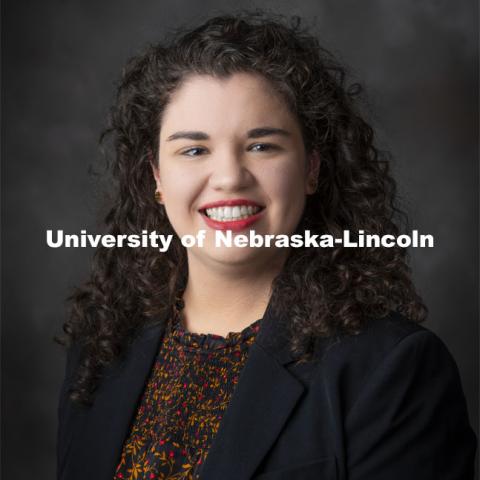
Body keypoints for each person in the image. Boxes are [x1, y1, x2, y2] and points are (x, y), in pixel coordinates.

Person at [56, 11, 477, 480]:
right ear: (156, 177)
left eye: (262, 146)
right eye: (194, 150)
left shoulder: (394, 370)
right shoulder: (102, 348)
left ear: (312, 169)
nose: (231, 177)